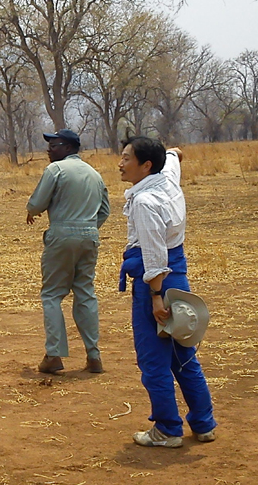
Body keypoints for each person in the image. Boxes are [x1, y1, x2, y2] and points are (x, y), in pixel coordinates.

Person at [118, 137, 216, 447]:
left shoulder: (146, 203)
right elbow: (175, 153)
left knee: (153, 361)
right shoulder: (167, 176)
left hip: (158, 283)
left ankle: (167, 429)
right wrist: (171, 153)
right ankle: (204, 424)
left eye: (126, 158)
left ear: (146, 165)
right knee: (183, 356)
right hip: (179, 278)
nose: (120, 164)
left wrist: (156, 297)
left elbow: (155, 256)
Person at [26, 129, 110, 374]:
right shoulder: (95, 174)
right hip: (89, 236)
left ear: (68, 148)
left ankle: (54, 355)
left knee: (52, 294)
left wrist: (33, 210)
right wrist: (88, 228)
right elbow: (104, 210)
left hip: (62, 235)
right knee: (85, 293)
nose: (49, 150)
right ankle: (93, 356)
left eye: (54, 145)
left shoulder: (56, 170)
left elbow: (36, 204)